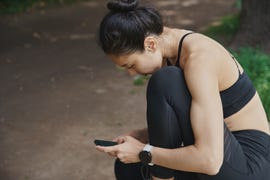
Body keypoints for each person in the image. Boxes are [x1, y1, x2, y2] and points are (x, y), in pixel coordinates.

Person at [95, 0, 270, 180]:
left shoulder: (199, 59)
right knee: (129, 169)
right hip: (222, 151)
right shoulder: (172, 53)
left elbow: (210, 160)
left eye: (130, 65)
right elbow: (193, 119)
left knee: (165, 81)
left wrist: (143, 151)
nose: (132, 73)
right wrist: (144, 135)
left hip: (250, 164)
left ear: (151, 45)